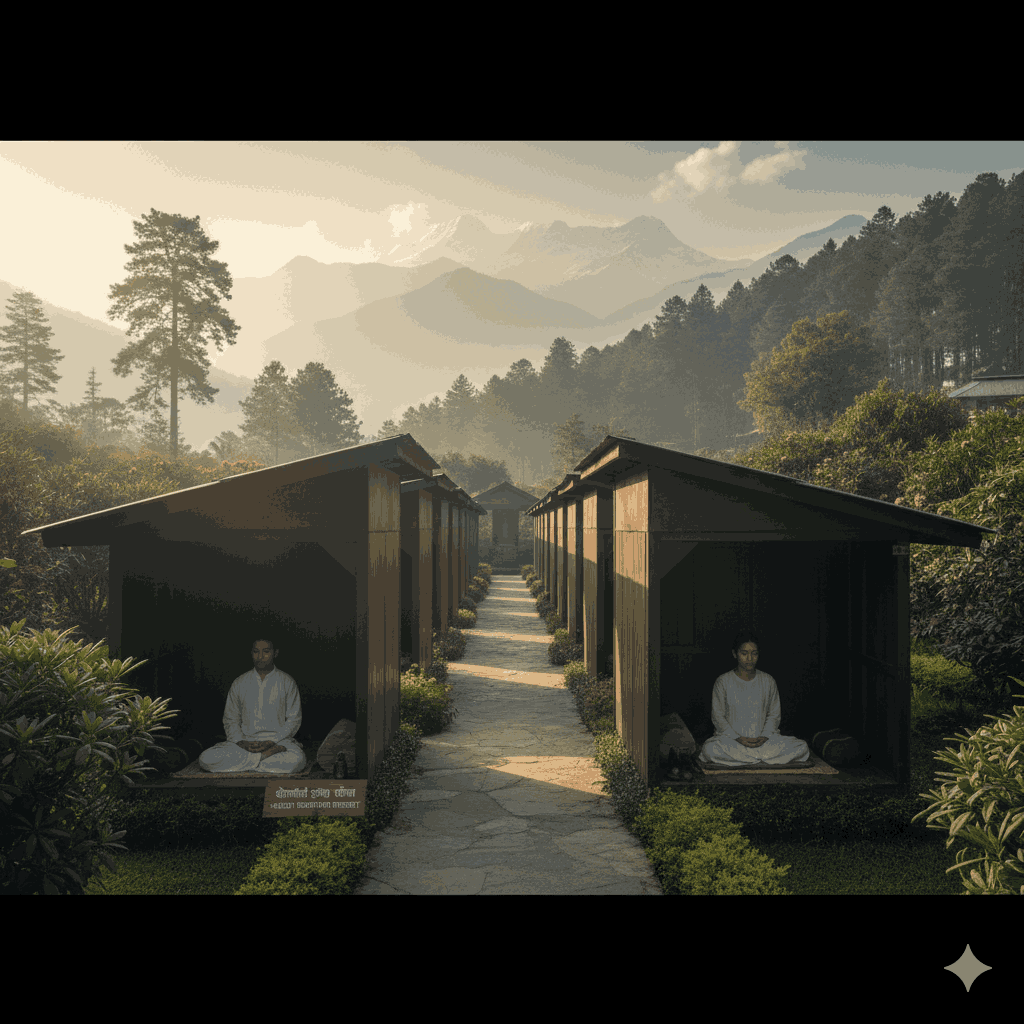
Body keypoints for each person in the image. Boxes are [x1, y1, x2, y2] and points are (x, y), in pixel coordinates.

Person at [698, 632, 810, 767]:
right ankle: (761, 759)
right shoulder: (723, 681)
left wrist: (764, 737)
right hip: (733, 742)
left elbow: (774, 715)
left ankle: (746, 759)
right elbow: (718, 717)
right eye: (744, 653)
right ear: (735, 654)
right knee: (710, 749)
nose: (749, 658)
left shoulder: (768, 681)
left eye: (754, 653)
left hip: (764, 743)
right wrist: (738, 738)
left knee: (801, 746)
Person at [197, 639, 307, 774]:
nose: (260, 656)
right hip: (245, 743)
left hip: (279, 741)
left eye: (266, 651)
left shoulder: (287, 681)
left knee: (297, 760)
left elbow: (294, 720)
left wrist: (271, 741)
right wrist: (240, 741)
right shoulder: (239, 682)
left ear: (275, 653)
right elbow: (231, 719)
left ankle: (245, 764)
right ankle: (263, 758)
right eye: (256, 651)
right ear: (251, 653)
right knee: (206, 759)